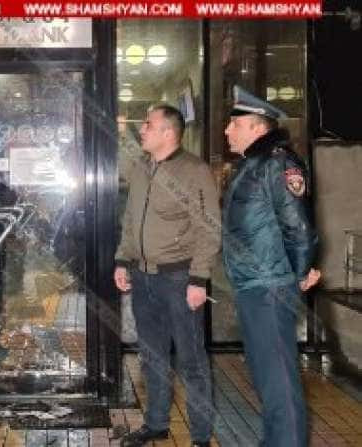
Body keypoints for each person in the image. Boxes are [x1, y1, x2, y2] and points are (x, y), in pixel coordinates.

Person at [114, 105, 220, 447]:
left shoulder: (194, 171)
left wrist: (199, 279)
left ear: (168, 133)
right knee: (152, 357)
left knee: (191, 361)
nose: (142, 129)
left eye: (149, 124)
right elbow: (130, 219)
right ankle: (156, 423)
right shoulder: (142, 167)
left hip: (179, 279)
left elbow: (209, 229)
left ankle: (200, 437)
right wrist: (122, 260)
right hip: (142, 277)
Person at [222, 86, 320, 447]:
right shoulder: (252, 165)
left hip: (270, 286)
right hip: (255, 284)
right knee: (266, 376)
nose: (227, 130)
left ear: (257, 127)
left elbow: (299, 227)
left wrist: (299, 274)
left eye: (235, 124)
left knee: (278, 380)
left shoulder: (278, 164)